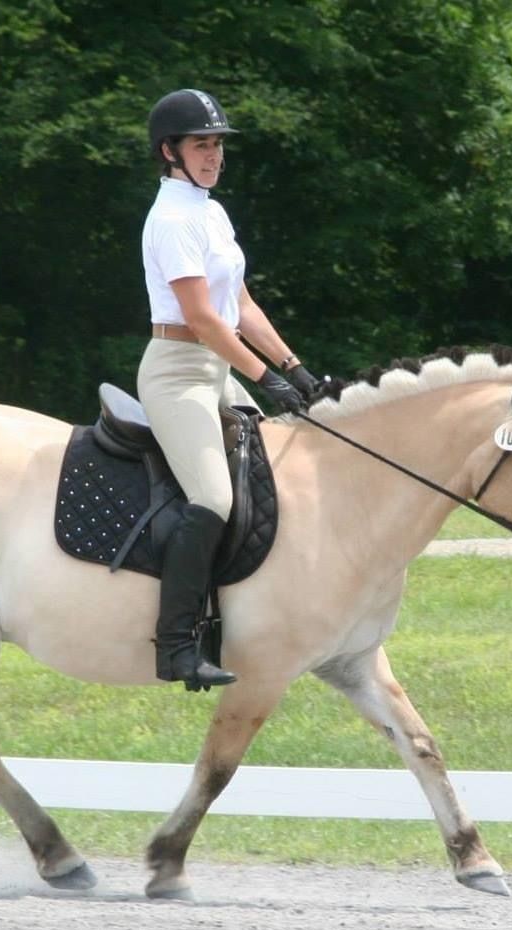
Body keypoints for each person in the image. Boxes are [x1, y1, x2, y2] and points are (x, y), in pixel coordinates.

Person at [138, 87, 321, 692]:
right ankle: (177, 647)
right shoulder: (171, 220)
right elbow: (204, 319)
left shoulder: (211, 212)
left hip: (217, 366)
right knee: (213, 498)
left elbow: (239, 304)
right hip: (178, 371)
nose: (214, 155)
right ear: (171, 152)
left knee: (277, 475)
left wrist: (295, 369)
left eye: (217, 144)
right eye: (202, 145)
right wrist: (263, 378)